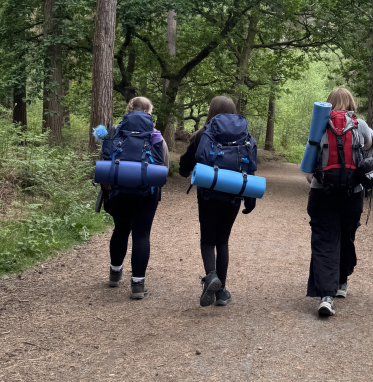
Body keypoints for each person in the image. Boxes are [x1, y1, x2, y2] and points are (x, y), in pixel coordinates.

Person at [306, 87, 373, 318]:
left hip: (322, 192)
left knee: (324, 241)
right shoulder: (361, 125)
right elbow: (368, 151)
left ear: (329, 103)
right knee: (346, 237)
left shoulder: (319, 125)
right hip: (352, 194)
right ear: (351, 103)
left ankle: (326, 297)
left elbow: (309, 165)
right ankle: (341, 281)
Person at [179, 95, 257, 307]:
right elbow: (250, 167)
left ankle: (211, 276)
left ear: (212, 111)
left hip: (208, 194)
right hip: (234, 195)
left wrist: (184, 171)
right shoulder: (246, 136)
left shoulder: (203, 133)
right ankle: (221, 292)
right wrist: (249, 198)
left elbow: (186, 162)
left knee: (208, 240)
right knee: (222, 240)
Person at [102, 96, 170, 300]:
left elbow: (105, 162)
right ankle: (138, 285)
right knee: (141, 234)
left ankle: (115, 274)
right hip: (146, 193)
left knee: (120, 230)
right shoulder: (155, 135)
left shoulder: (114, 132)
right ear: (148, 113)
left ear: (128, 110)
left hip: (118, 191)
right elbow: (164, 168)